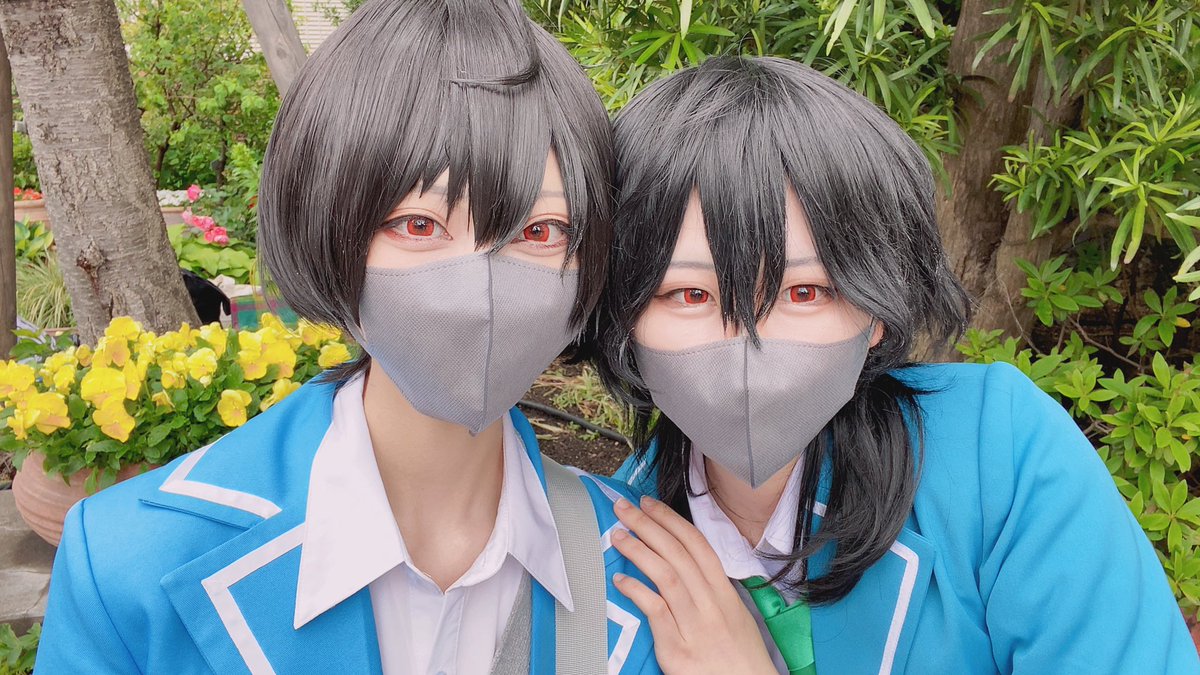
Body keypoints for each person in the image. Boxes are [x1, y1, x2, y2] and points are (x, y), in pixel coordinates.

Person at [34, 1, 661, 672]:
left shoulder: (653, 570)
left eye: (539, 231)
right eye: (419, 224)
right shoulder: (128, 563)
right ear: (326, 227)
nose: (479, 295)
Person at [594, 55, 1199, 674]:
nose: (747, 349)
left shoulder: (1000, 456)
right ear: (620, 314)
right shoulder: (605, 537)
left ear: (878, 306)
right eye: (690, 294)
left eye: (804, 291)